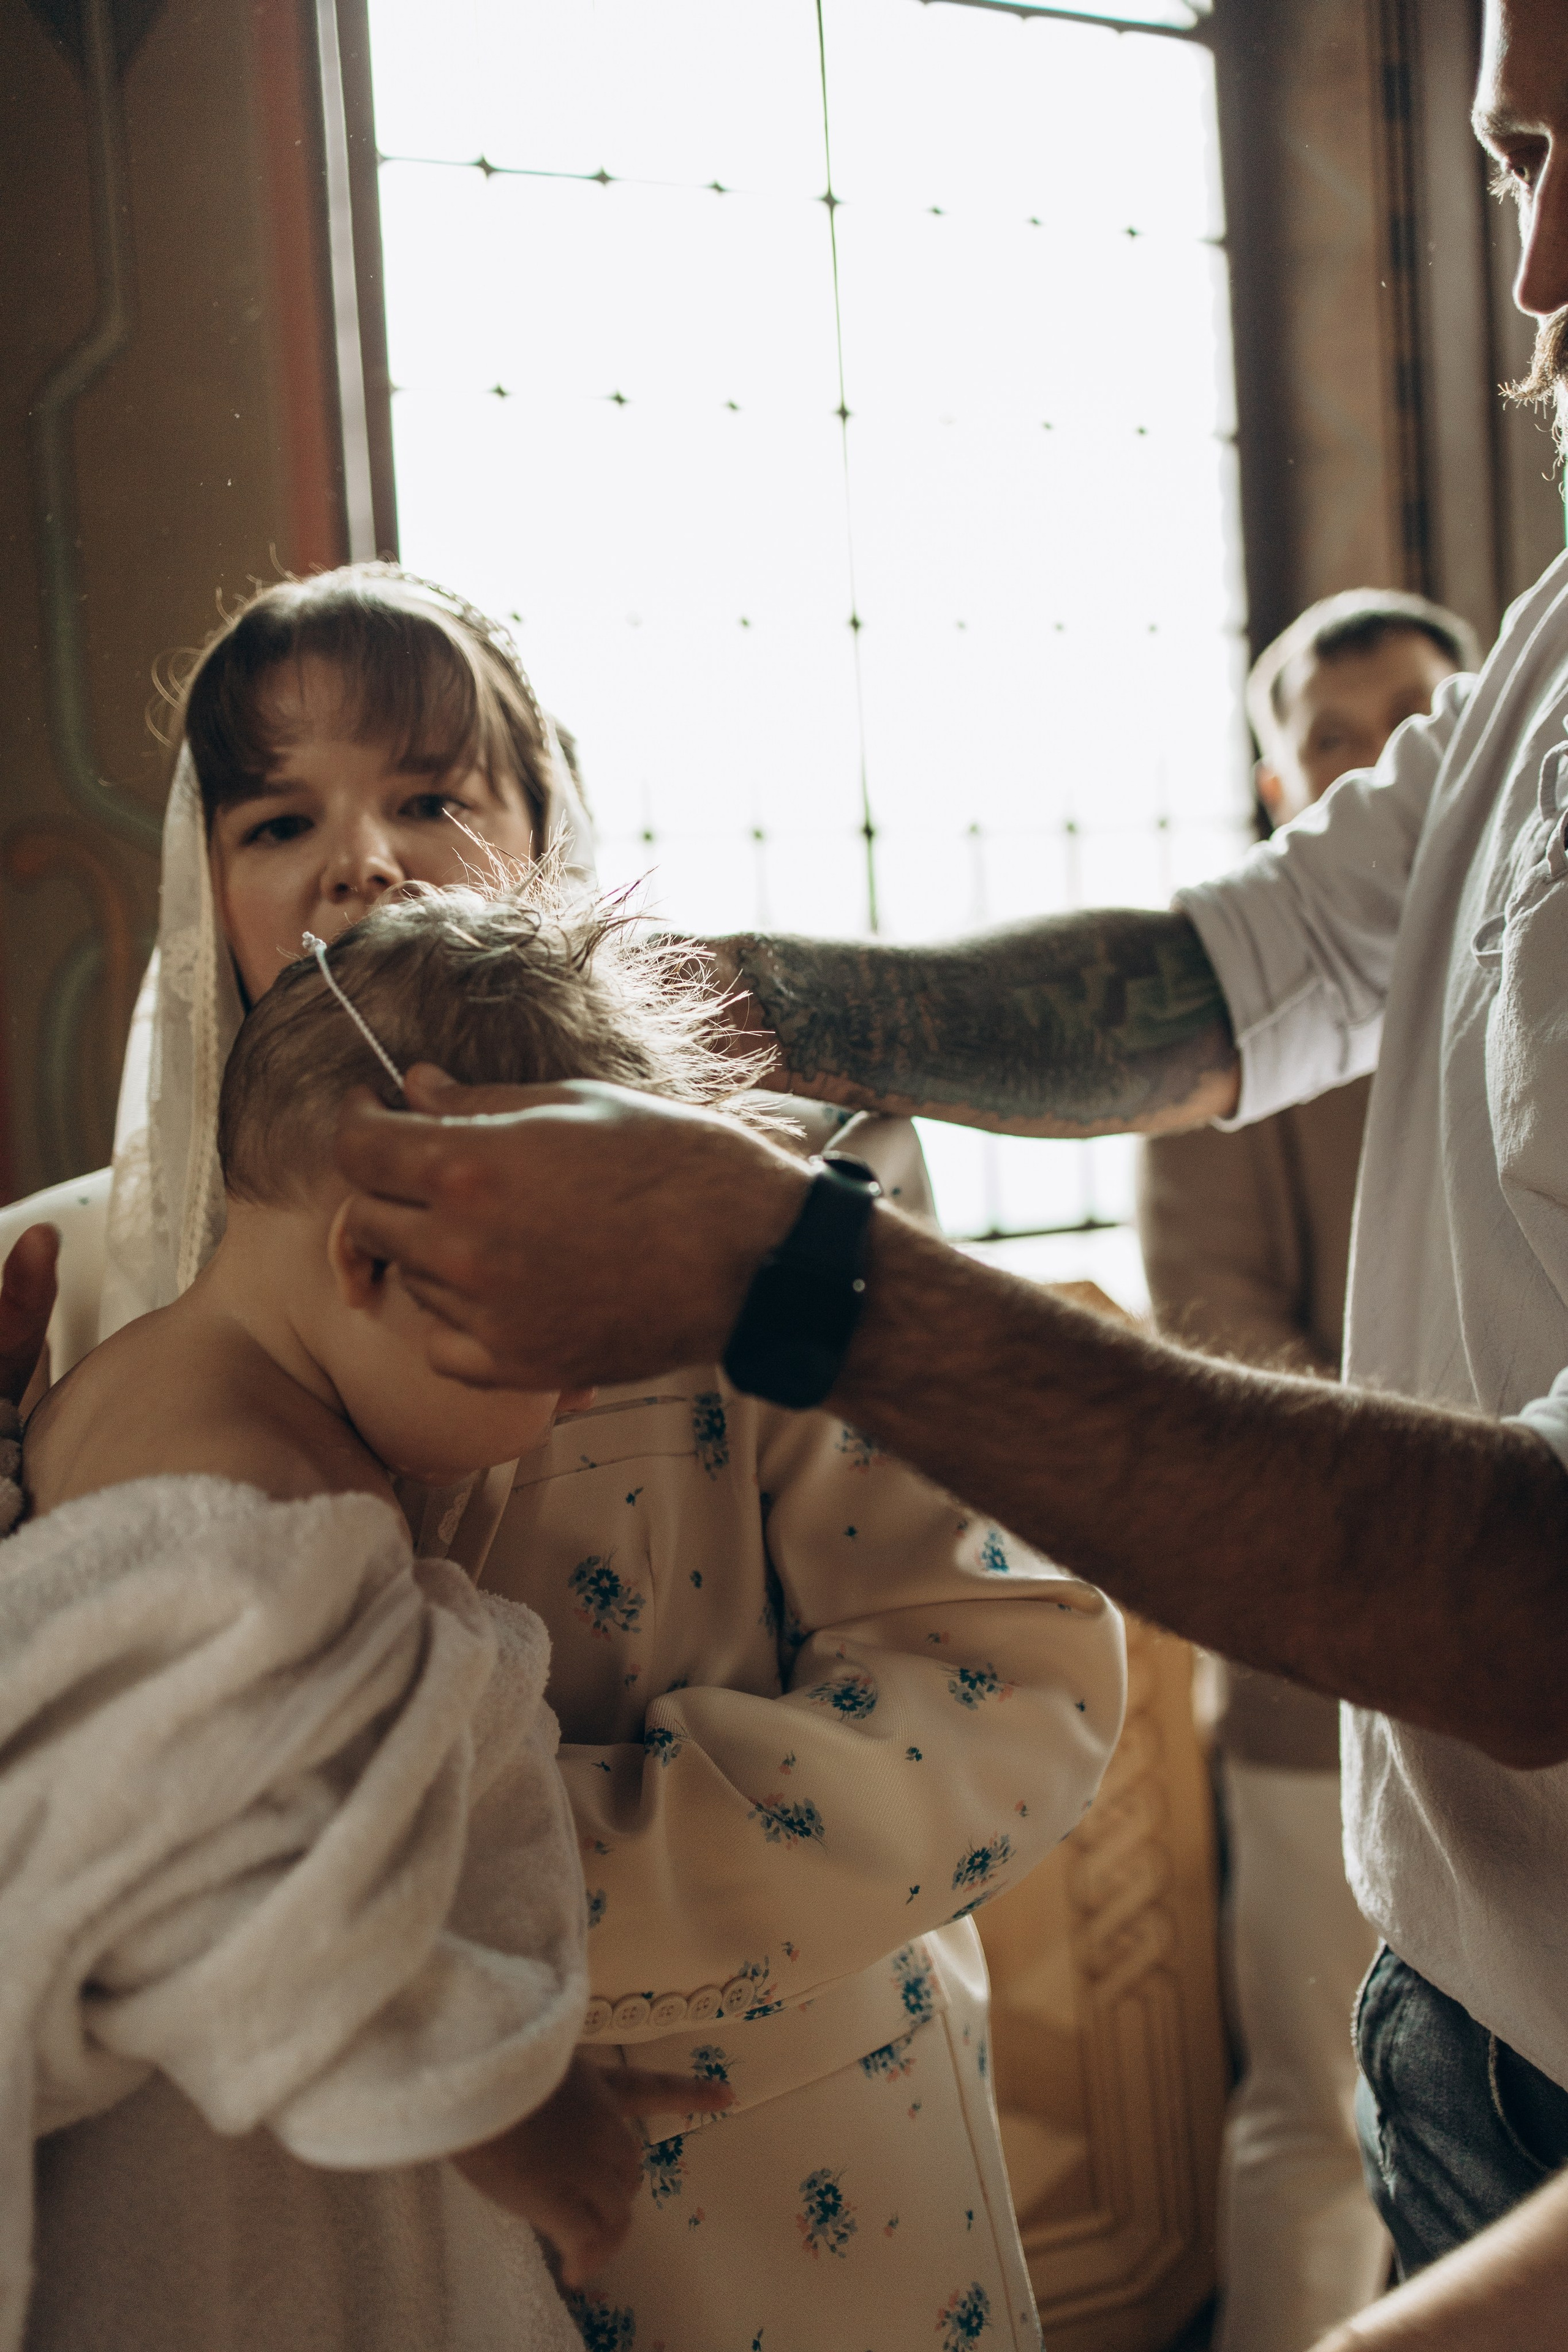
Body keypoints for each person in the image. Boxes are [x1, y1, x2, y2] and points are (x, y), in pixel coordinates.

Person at [317, 4, 1568, 2323]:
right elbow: (1226, 975)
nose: (1546, 274)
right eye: (1517, 163)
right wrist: (652, 984)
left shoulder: (748, 1304)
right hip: (1456, 1988)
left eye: (430, 806)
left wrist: (789, 1273)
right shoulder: (1553, 662)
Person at [1, 565, 1127, 2350]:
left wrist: (475, 1921)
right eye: (278, 816)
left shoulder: (760, 1228)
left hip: (783, 2203)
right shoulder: (66, 1281)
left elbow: (1010, 1676)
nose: (362, 861)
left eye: (435, 797)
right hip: (321, 2244)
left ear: (552, 837)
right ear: (196, 880)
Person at [10, 892, 742, 2348]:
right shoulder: (256, 1503)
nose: (582, 1401)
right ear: (366, 1261)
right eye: (570, 1345)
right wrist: (503, 2107)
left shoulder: (126, 1398)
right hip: (197, 2214)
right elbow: (200, 1875)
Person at [1137, 588, 1478, 2352]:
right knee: (1313, 2117)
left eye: (1412, 720)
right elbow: (1208, 1331)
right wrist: (1463, 1485)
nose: (1370, 761)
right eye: (1329, 743)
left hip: (1534, 1660)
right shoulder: (1230, 1055)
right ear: (1282, 789)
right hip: (1309, 1673)